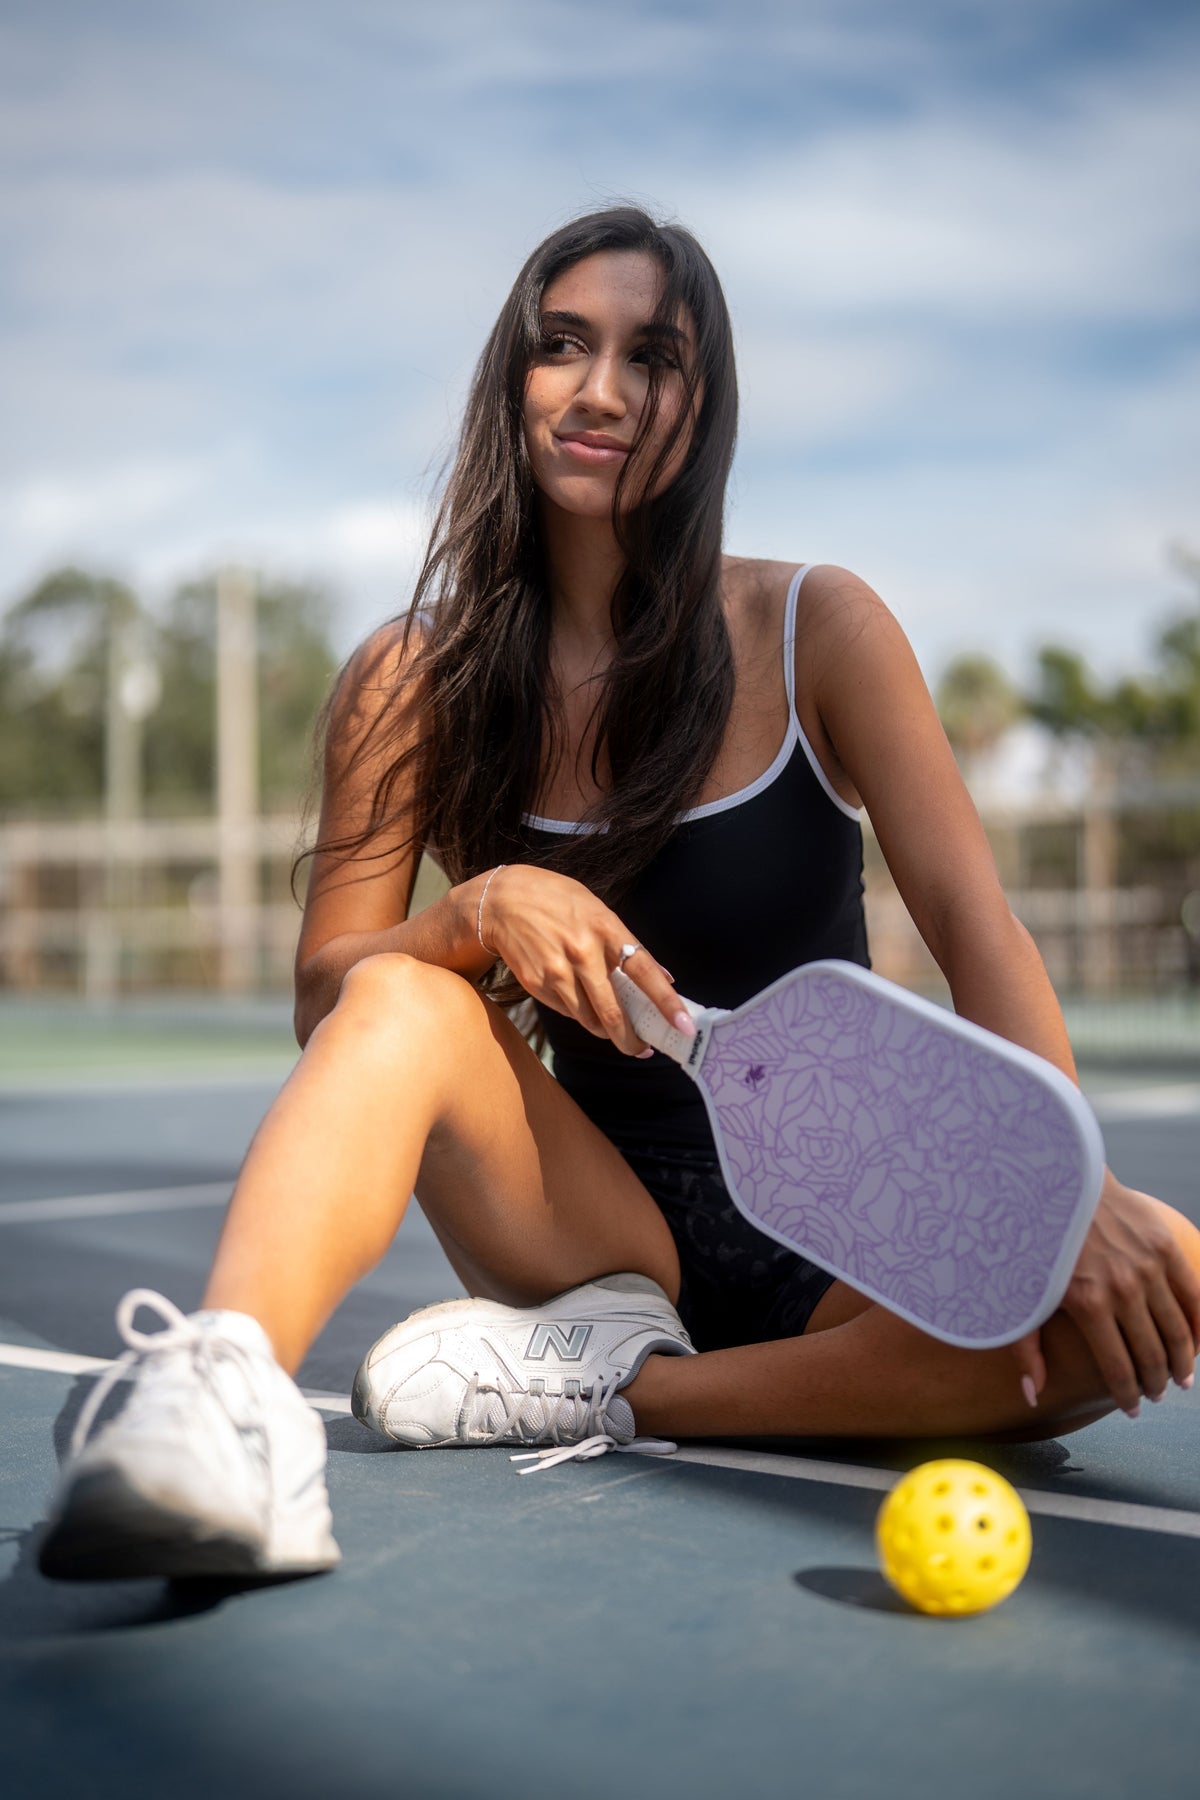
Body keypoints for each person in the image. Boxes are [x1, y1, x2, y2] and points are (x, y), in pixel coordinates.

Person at [40, 207, 1200, 1581]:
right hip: (587, 1224)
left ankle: (607, 1390)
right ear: (510, 382)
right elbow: (328, 995)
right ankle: (216, 1411)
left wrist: (1053, 1187)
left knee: (1156, 1286)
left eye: (651, 357)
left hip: (851, 1206)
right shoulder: (409, 679)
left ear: (699, 404)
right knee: (404, 994)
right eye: (563, 347)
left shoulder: (816, 625)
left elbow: (973, 922)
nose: (600, 391)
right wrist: (475, 913)